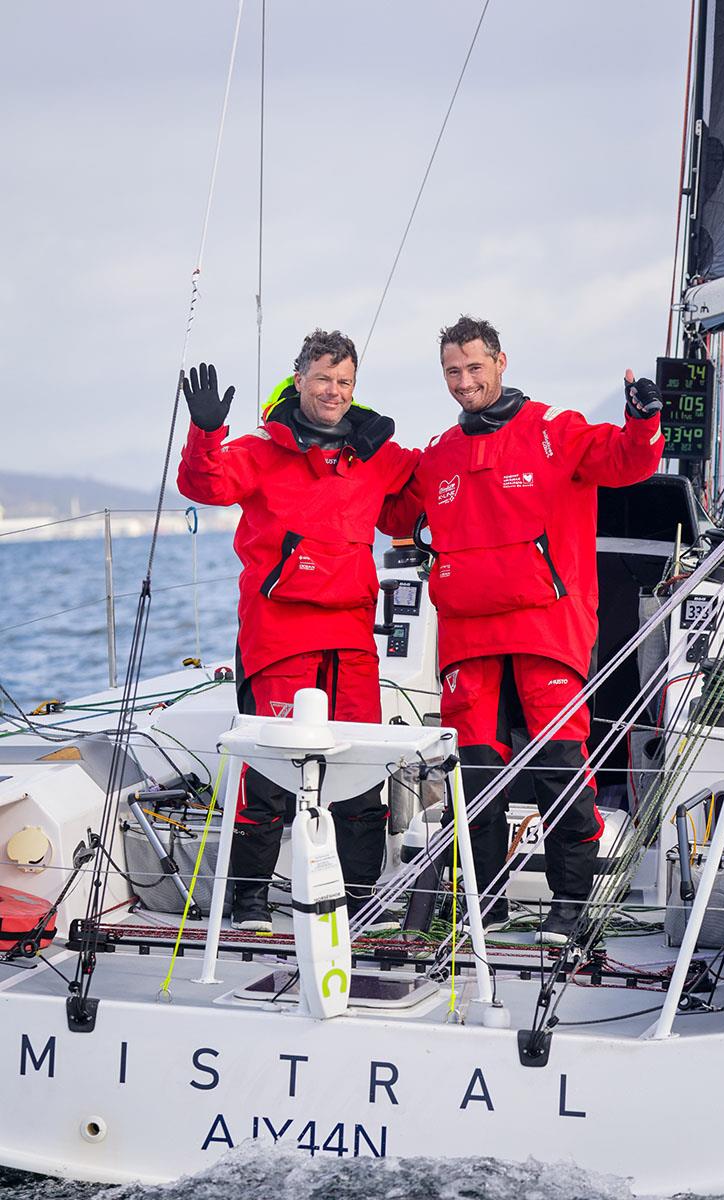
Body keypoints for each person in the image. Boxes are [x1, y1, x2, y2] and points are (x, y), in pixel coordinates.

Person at [381, 316, 664, 942]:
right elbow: (390, 511)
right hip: (467, 633)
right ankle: (486, 905)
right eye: (453, 371)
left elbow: (628, 462)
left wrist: (644, 419)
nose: (464, 382)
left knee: (561, 763)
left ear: (501, 363)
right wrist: (356, 446)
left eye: (474, 368)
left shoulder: (554, 429)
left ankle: (570, 904)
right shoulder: (438, 454)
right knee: (475, 772)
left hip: (546, 623)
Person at [177, 330, 419, 931]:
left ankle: (363, 902)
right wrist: (206, 431)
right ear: (300, 379)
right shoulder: (261, 450)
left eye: (344, 382)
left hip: (352, 637)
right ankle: (250, 901)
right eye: (323, 379)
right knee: (268, 773)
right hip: (279, 634)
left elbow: (427, 486)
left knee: (361, 770)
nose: (333, 391)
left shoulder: (375, 455)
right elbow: (203, 485)